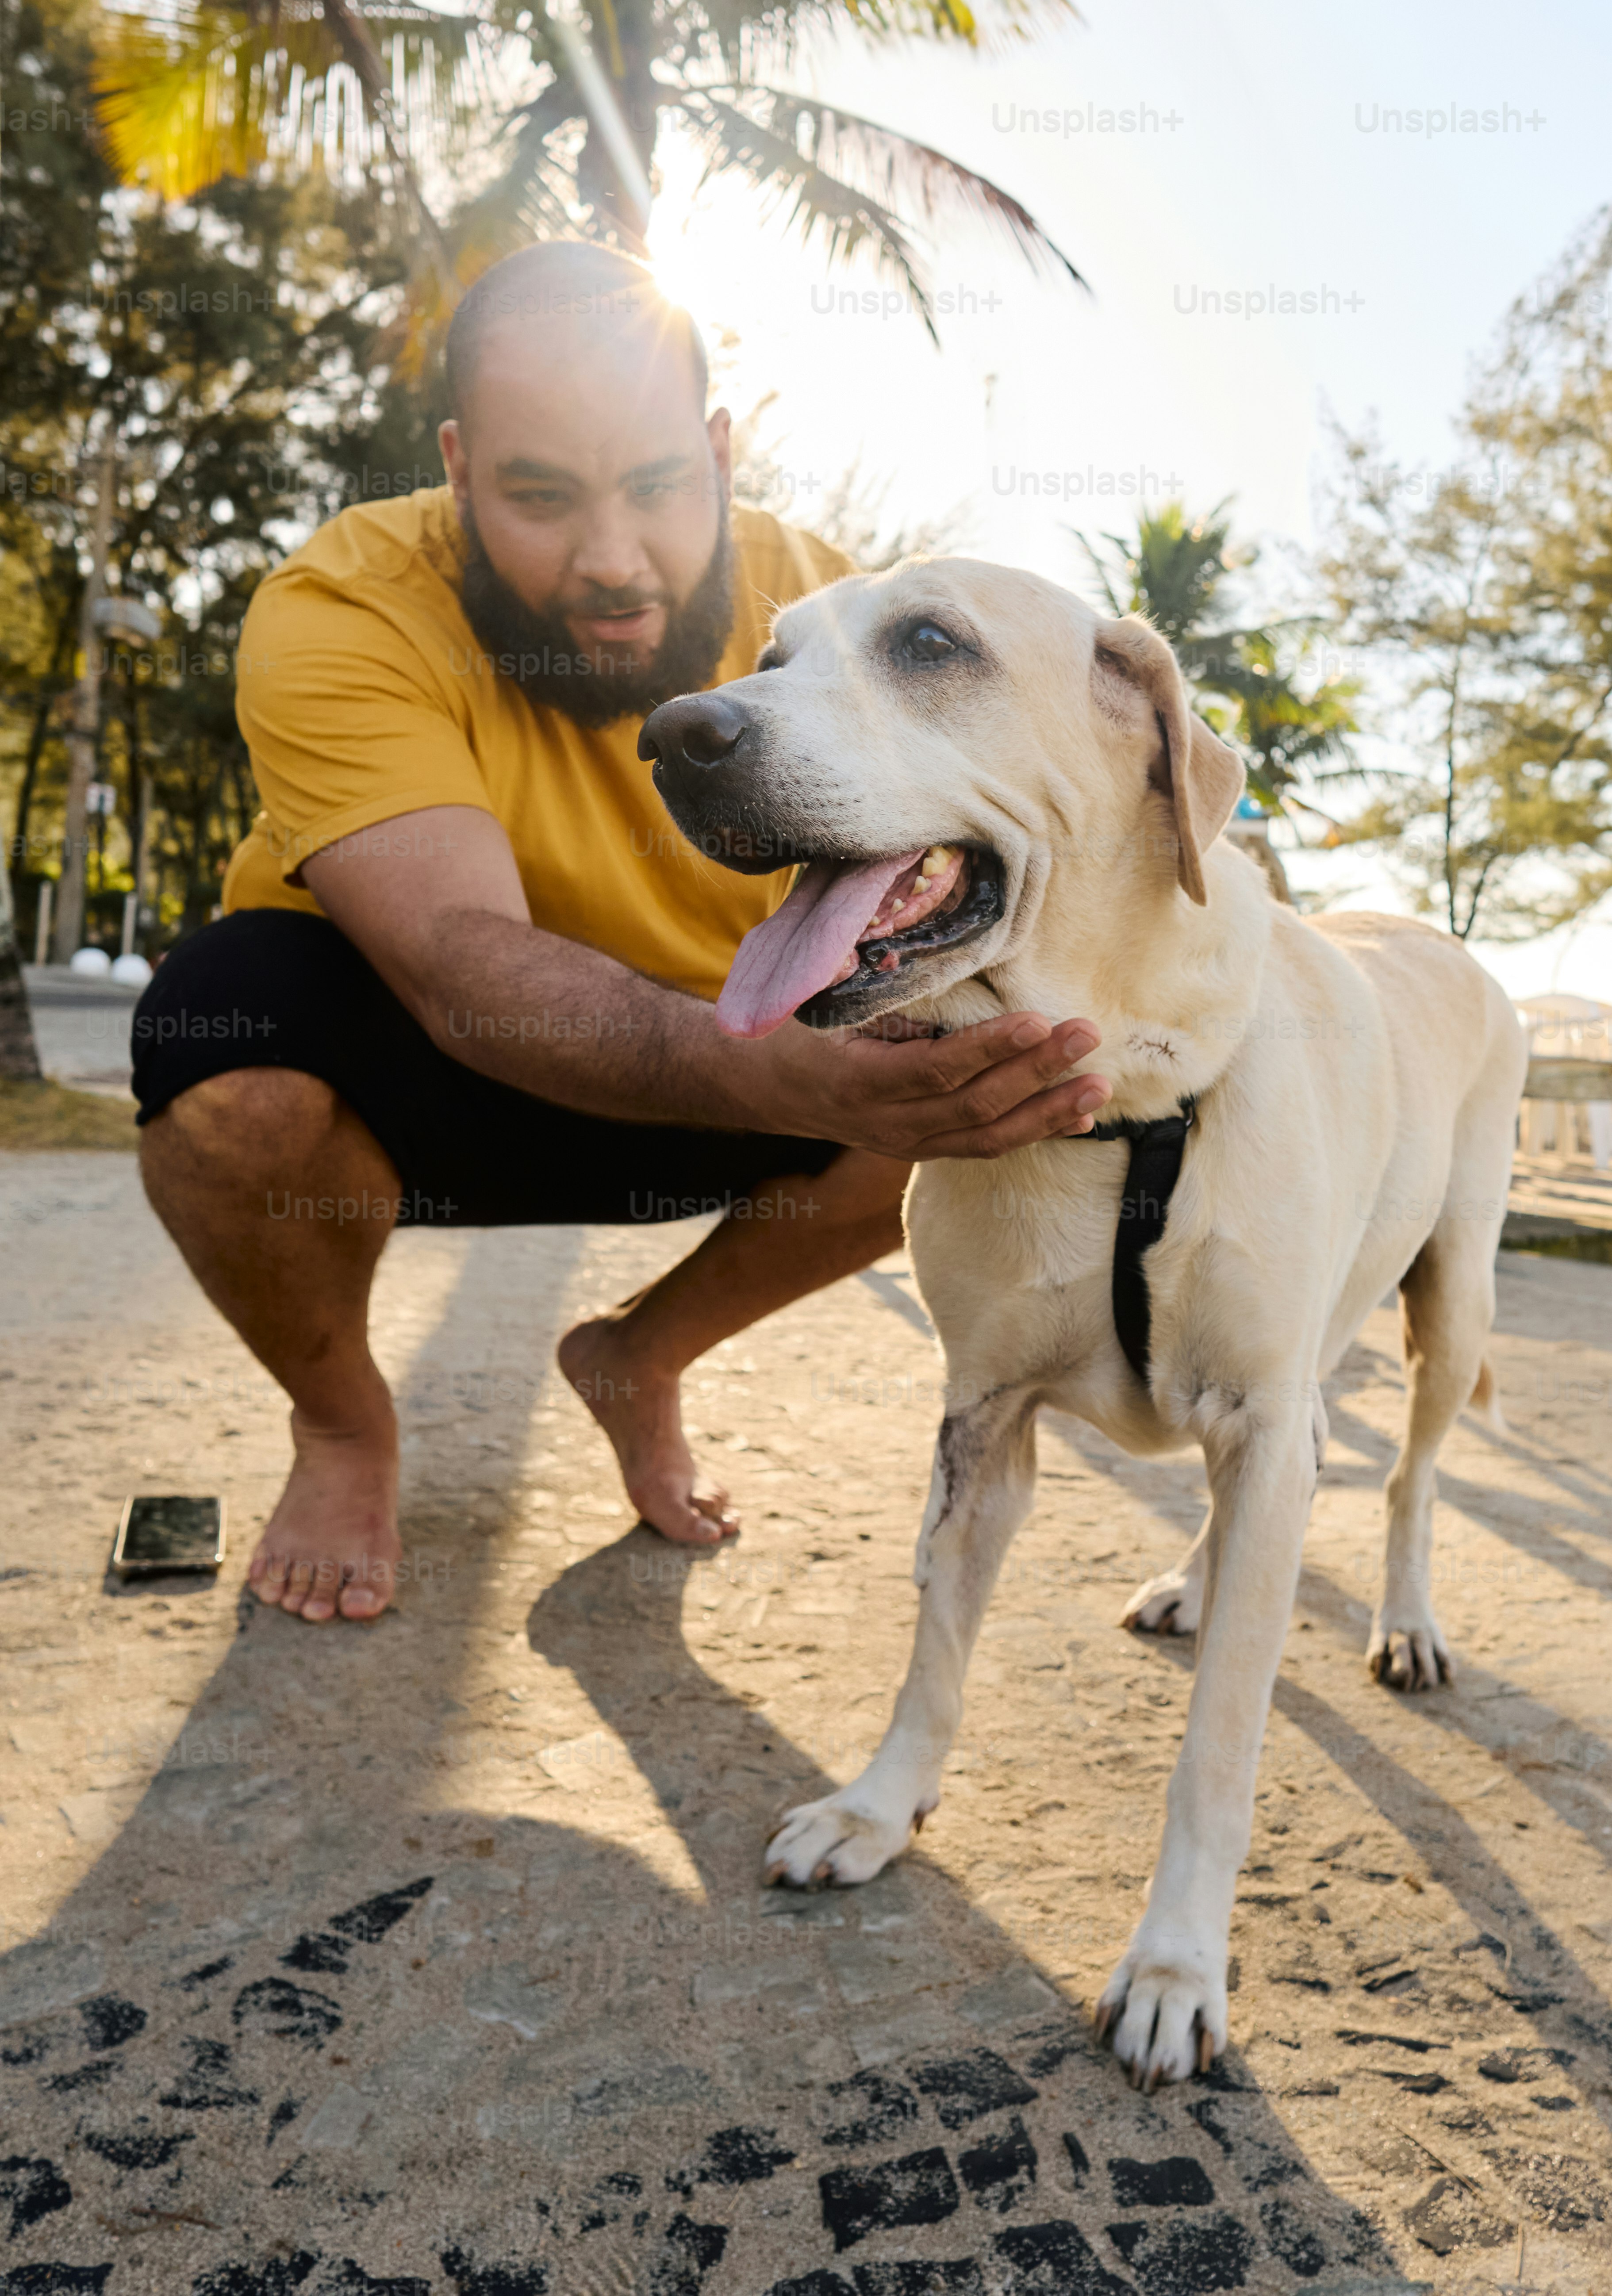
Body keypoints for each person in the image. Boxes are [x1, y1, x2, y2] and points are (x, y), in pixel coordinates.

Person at [131, 241, 1111, 1624]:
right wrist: (765, 1074)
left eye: (657, 487)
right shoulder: (342, 603)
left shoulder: (835, 607)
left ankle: (638, 1358)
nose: (610, 563)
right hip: (426, 1077)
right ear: (461, 469)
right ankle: (345, 1425)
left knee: (966, 1071)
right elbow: (455, 953)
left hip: (722, 1061)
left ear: (717, 452)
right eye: (539, 497)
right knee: (214, 1027)